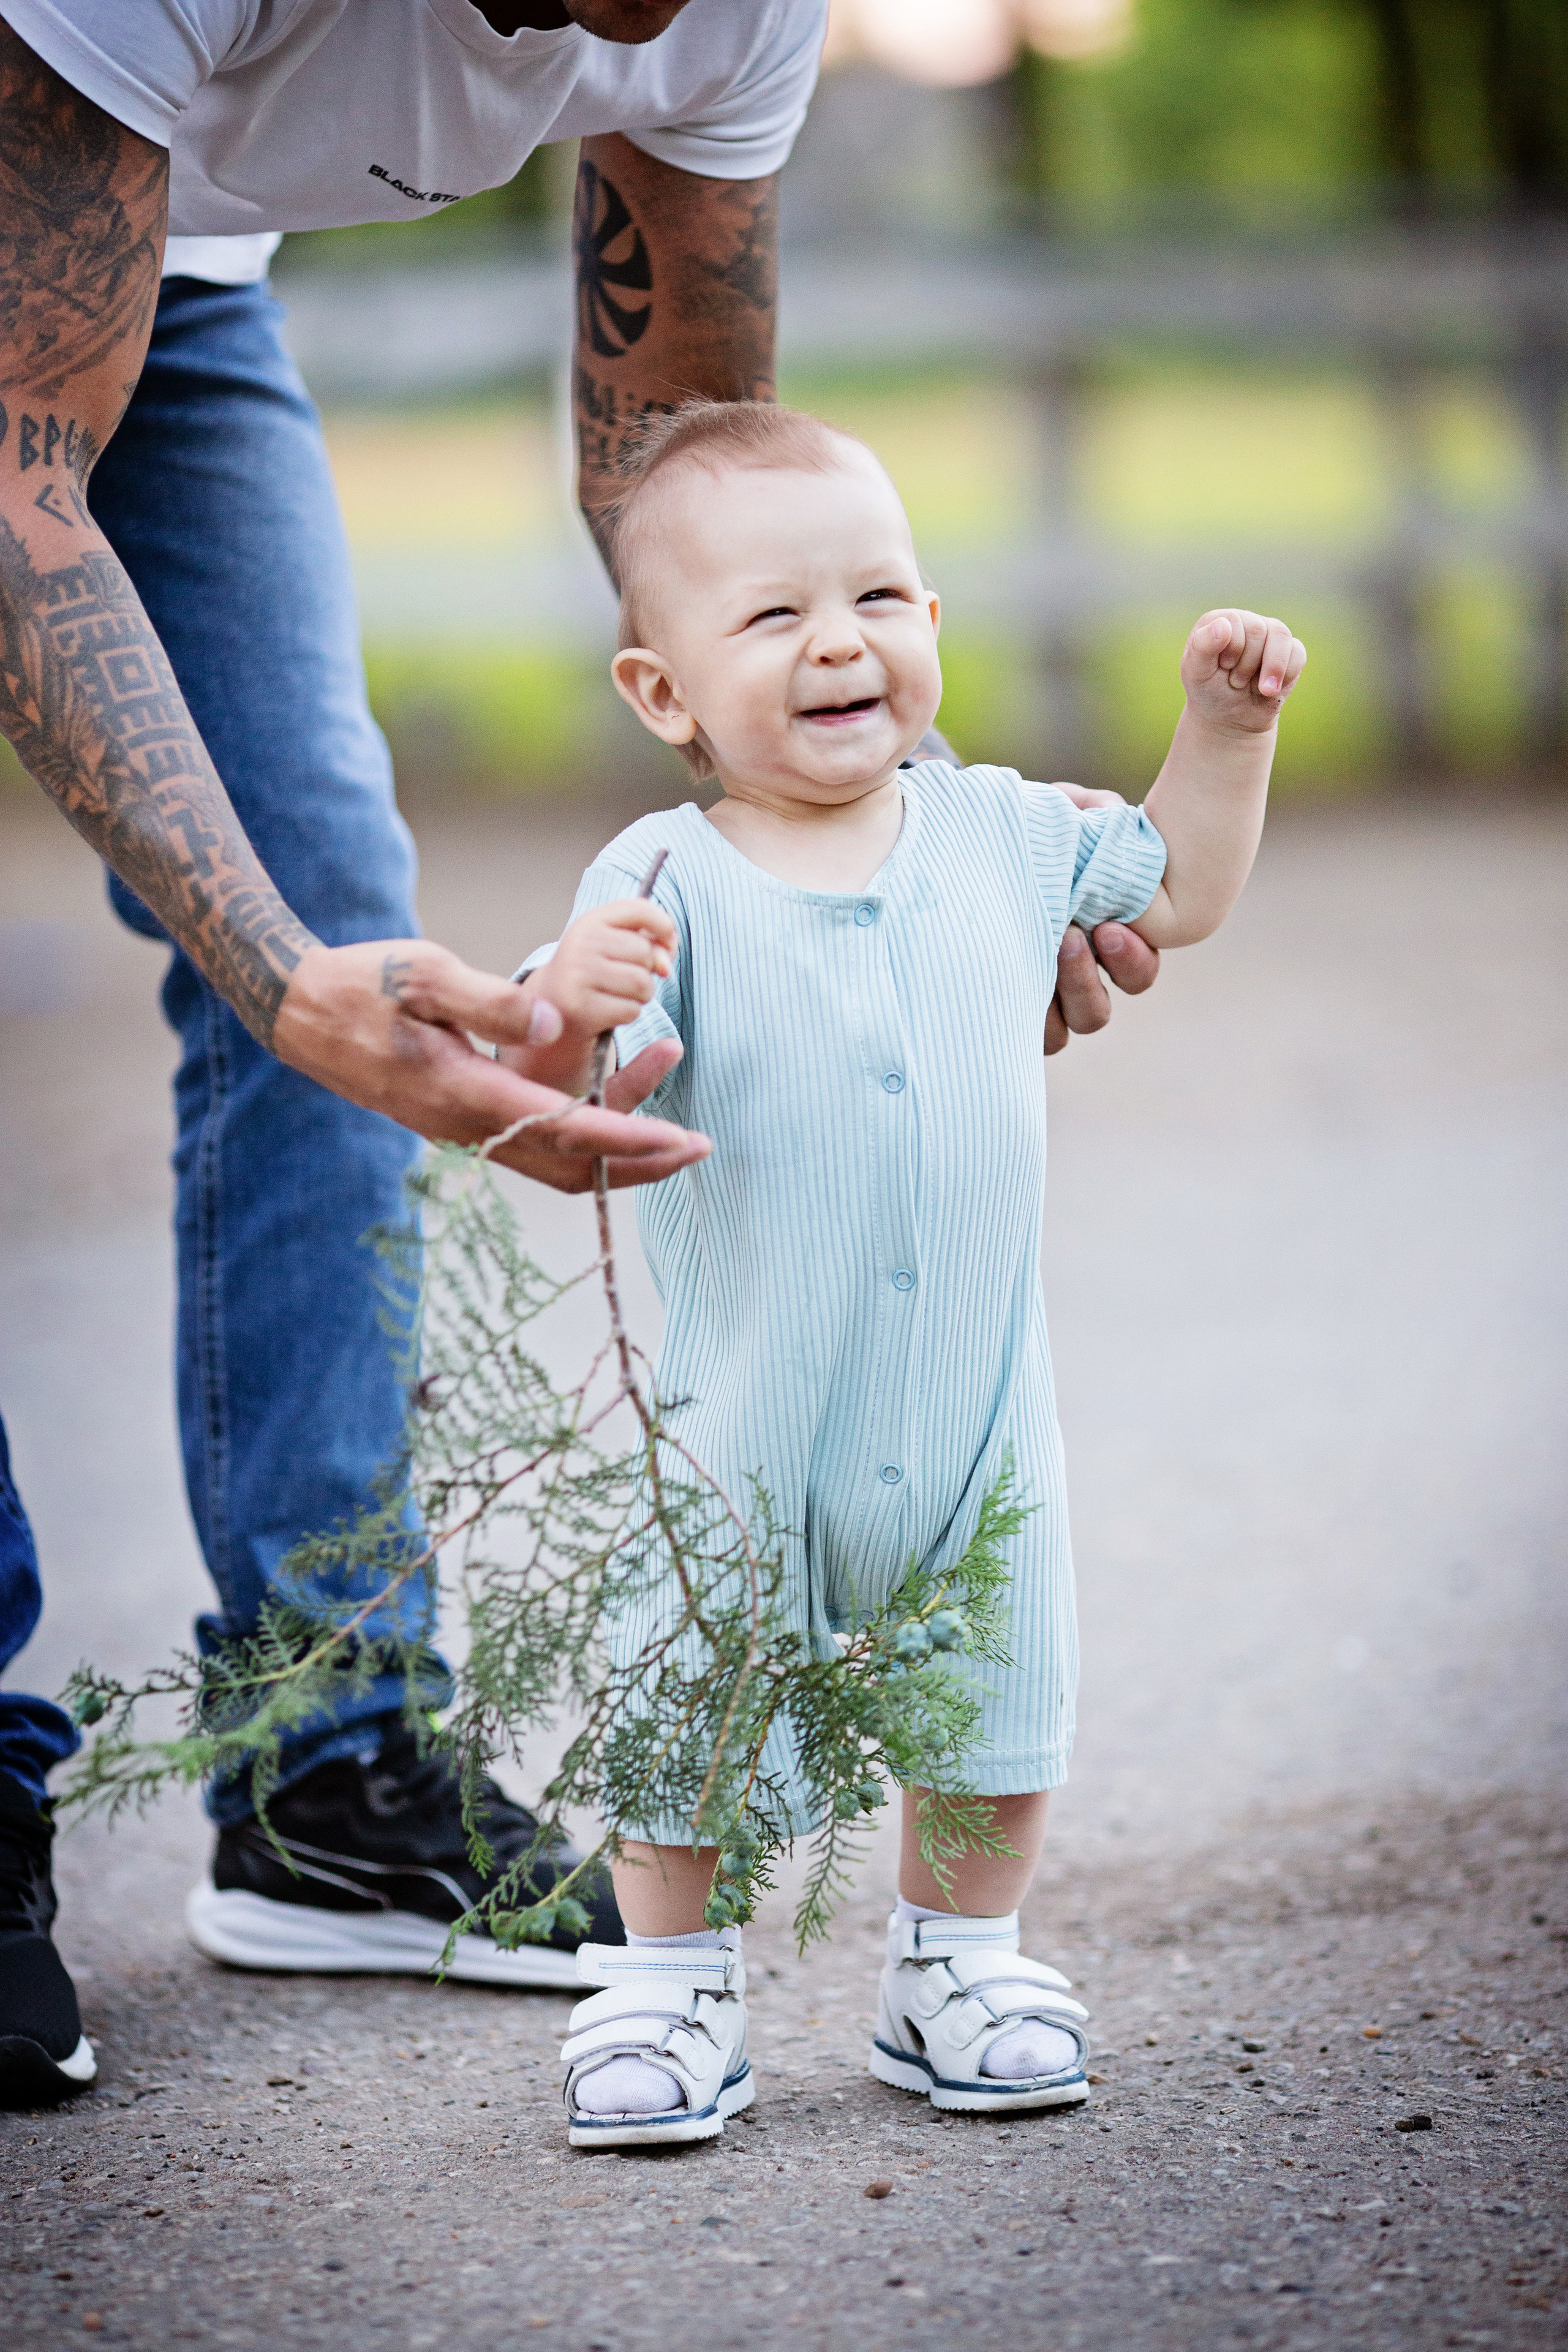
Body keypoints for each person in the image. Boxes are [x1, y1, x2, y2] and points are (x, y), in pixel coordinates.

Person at [0, 2, 1160, 2105]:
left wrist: (932, 875)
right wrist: (266, 971)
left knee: (350, 927)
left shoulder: (740, 10)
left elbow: (694, 479)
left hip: (181, 290)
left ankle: (326, 1764)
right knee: (287, 963)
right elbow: (14, 471)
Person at [503, 401, 1305, 2147]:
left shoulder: (1006, 832)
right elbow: (562, 1079)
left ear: (933, 622)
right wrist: (570, 1004)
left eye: (877, 595)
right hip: (746, 1409)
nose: (839, 640)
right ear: (663, 693)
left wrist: (1225, 730)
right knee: (689, 1684)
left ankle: (959, 1961)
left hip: (972, 1402)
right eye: (774, 615)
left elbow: (1176, 894)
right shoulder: (658, 877)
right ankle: (667, 1978)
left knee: (994, 1685)